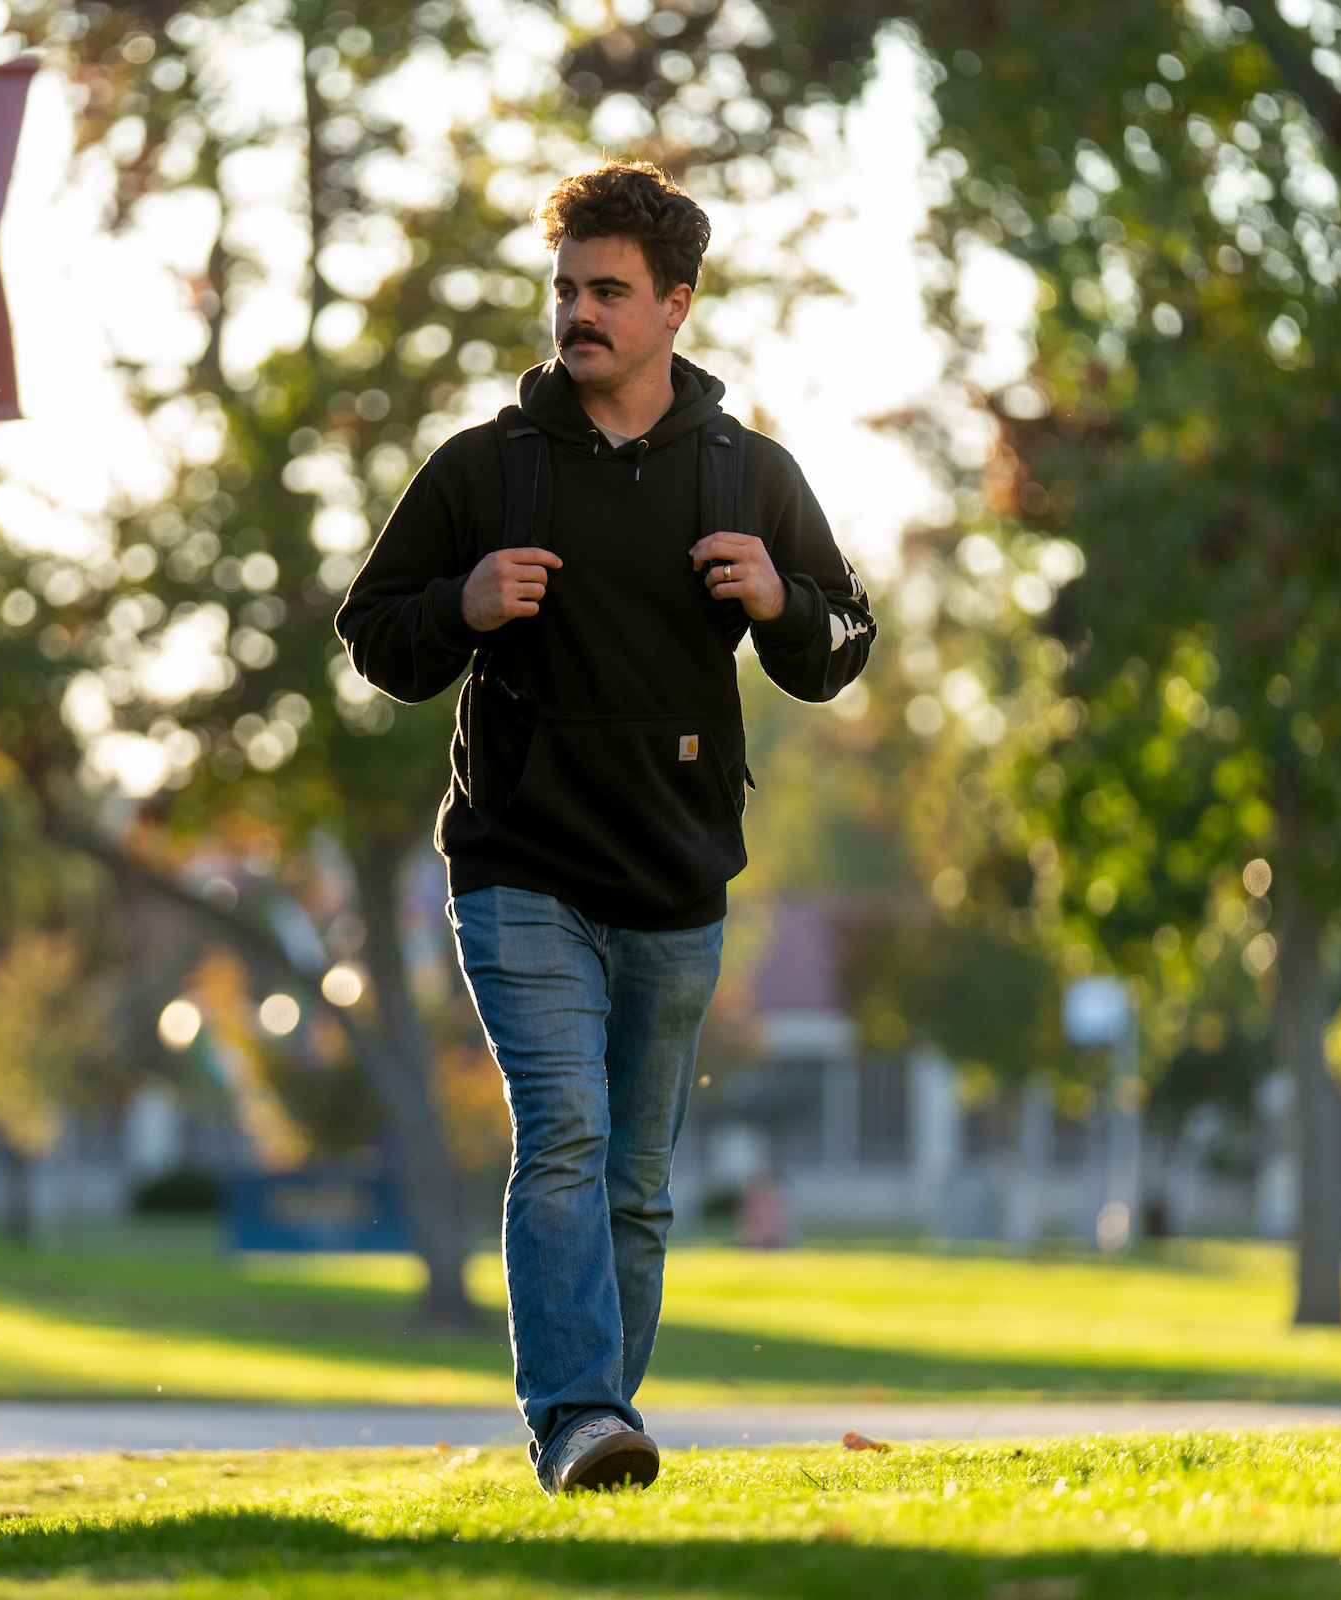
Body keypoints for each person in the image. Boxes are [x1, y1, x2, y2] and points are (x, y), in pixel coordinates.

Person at [335, 161, 875, 1494]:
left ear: (676, 305)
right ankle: (576, 1414)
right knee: (564, 1132)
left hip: (679, 881)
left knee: (636, 1182)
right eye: (565, 288)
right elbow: (375, 639)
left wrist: (780, 603)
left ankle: (600, 1427)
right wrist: (458, 605)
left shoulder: (750, 473)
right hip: (519, 869)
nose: (577, 313)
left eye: (607, 291)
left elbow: (844, 642)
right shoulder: (485, 471)